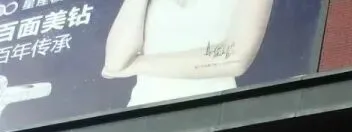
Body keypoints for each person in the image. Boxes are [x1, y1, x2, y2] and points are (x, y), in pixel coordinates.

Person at [104, 0, 276, 109]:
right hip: (142, 115)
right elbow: (115, 61)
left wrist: (136, 65)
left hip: (210, 112)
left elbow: (234, 58)